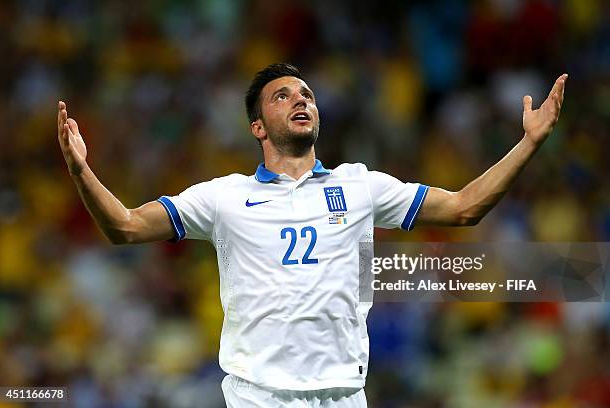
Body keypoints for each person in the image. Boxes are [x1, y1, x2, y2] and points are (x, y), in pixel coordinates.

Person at [57, 63, 567, 407]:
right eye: (282, 97)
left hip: (344, 395)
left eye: (306, 94)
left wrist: (530, 142)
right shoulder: (223, 198)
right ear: (258, 126)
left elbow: (464, 208)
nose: (300, 100)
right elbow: (124, 227)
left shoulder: (360, 186)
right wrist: (82, 172)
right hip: (260, 396)